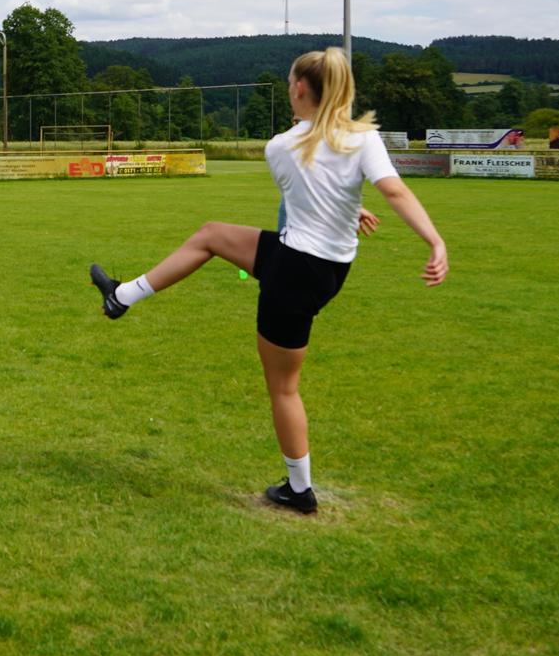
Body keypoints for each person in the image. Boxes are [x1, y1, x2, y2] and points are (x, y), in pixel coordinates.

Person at [89, 47, 448, 516]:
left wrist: (343, 204)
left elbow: (300, 198)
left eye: (289, 83)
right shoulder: (363, 138)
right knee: (211, 235)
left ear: (300, 89)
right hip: (327, 270)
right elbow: (386, 189)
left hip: (294, 268)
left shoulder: (280, 147)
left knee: (283, 388)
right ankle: (123, 295)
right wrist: (434, 241)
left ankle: (299, 491)